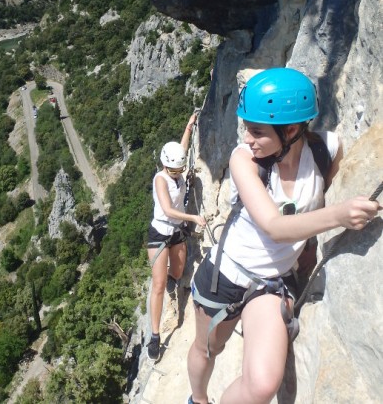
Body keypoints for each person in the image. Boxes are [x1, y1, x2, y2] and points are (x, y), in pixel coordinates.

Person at [187, 67, 381, 404]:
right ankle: (199, 399)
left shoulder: (326, 150)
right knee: (208, 350)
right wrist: (337, 217)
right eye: (247, 128)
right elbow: (274, 226)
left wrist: (308, 243)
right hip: (227, 274)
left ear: (291, 130)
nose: (247, 138)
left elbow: (322, 195)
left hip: (270, 283)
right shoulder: (244, 161)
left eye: (257, 131)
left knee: (262, 385)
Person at [146, 113, 207, 361]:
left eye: (179, 169)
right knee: (158, 285)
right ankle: (155, 336)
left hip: (177, 232)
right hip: (160, 232)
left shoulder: (176, 168)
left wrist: (189, 126)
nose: (177, 172)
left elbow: (182, 148)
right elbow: (169, 209)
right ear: (165, 165)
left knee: (179, 271)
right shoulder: (161, 179)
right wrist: (193, 219)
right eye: (174, 169)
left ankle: (172, 279)